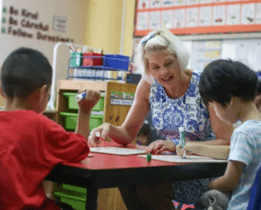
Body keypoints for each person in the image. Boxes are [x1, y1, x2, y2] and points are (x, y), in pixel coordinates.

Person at [88, 28, 233, 209]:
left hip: (204, 171)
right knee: (126, 181)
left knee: (148, 188)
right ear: (148, 67)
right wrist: (109, 128)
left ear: (179, 59)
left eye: (168, 63)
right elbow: (127, 133)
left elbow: (227, 142)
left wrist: (180, 146)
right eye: (155, 67)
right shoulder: (148, 85)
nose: (163, 72)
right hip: (169, 166)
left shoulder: (203, 85)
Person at [0, 48, 101, 210]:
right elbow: (81, 148)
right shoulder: (39, 126)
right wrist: (85, 111)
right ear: (42, 93)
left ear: (2, 90)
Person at [179, 59, 261, 210]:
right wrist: (193, 147)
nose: (215, 113)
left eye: (213, 106)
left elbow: (229, 181)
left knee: (203, 199)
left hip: (242, 206)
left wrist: (208, 185)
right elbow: (231, 152)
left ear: (230, 101)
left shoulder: (243, 133)